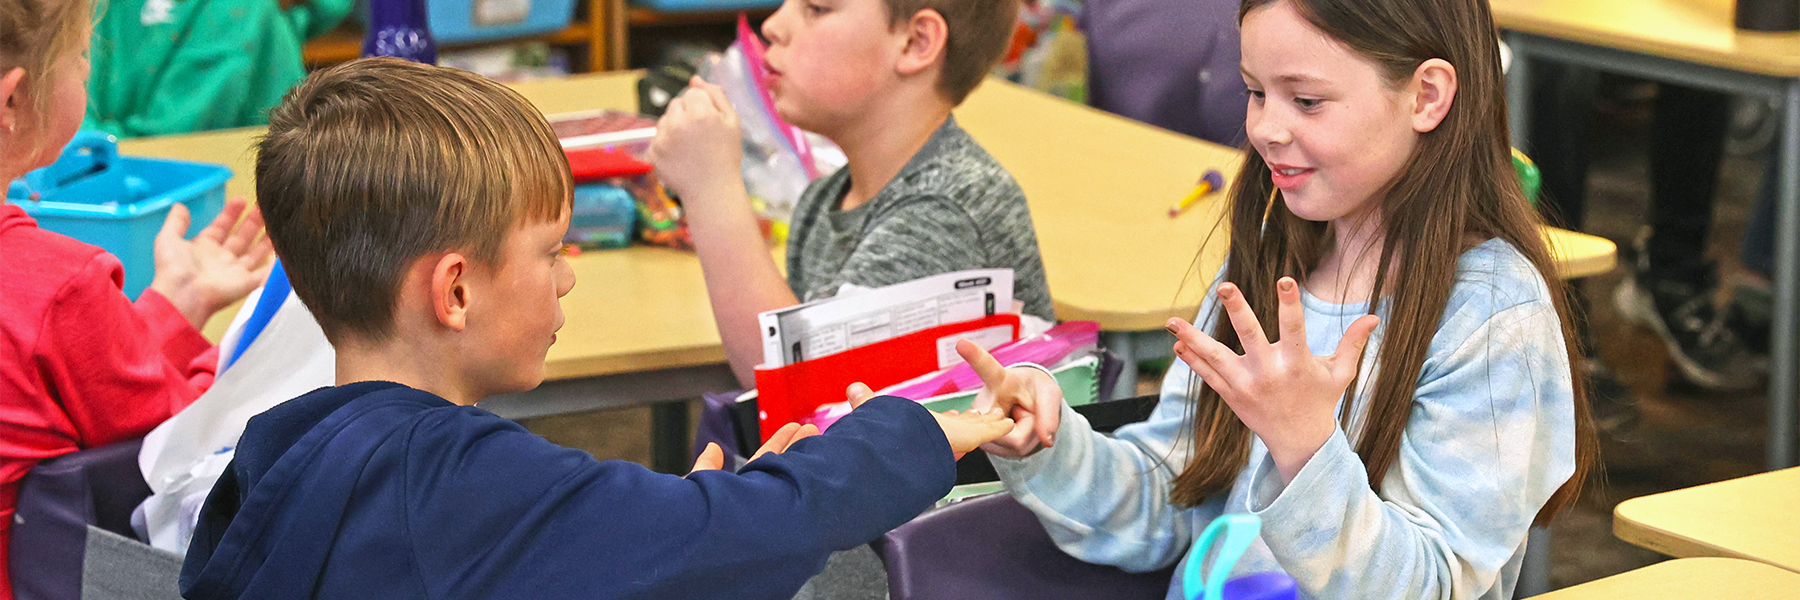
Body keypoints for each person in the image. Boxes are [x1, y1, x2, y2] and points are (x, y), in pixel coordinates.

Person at [178, 58, 1017, 600]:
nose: (569, 273)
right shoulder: (465, 481)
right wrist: (916, 428)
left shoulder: (278, 450)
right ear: (456, 292)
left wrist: (697, 518)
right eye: (551, 252)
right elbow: (746, 535)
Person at [957, 0, 1598, 597]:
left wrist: (1305, 450)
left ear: (1426, 96)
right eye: (1256, 92)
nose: (1265, 128)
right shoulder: (1271, 258)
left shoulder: (1493, 315)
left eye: (1308, 101)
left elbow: (1431, 585)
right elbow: (1171, 502)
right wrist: (1050, 440)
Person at [0, 0, 271, 592]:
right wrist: (264, 340)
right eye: (78, 57)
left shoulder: (55, 297)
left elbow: (69, 381)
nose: (84, 70)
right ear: (13, 100)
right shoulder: (61, 286)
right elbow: (182, 435)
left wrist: (172, 308)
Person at [649, 0, 1054, 388]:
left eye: (817, 8)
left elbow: (795, 387)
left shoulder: (944, 207)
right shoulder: (827, 197)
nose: (772, 26)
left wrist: (712, 188)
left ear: (916, 43)